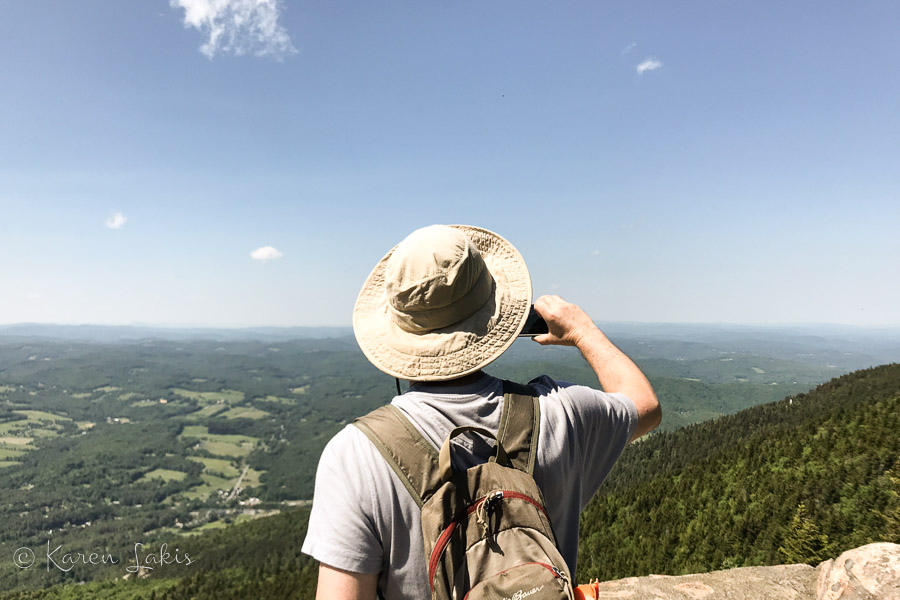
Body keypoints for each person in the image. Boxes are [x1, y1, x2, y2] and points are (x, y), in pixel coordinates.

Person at [301, 224, 660, 600]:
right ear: (496, 314)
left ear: (397, 329)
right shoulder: (564, 411)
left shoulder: (355, 455)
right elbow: (646, 406)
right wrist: (582, 331)